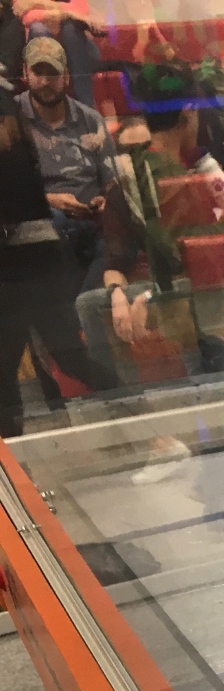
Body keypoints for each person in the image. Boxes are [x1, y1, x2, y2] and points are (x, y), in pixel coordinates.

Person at [78, 63, 224, 389]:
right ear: (188, 112)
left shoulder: (164, 170)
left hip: (186, 300)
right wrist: (133, 295)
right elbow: (182, 256)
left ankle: (120, 400)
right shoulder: (169, 179)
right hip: (191, 303)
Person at [0, 73, 117, 438]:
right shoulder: (18, 147)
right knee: (57, 360)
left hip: (27, 266)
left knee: (52, 361)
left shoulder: (12, 155)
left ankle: (134, 411)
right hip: (31, 263)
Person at [18, 36, 113, 291]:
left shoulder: (91, 120)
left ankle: (83, 304)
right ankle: (76, 307)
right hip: (43, 221)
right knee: (52, 227)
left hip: (91, 220)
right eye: (38, 72)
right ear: (25, 73)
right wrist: (49, 200)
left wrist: (104, 201)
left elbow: (113, 181)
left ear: (67, 76)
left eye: (53, 73)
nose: (45, 81)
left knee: (121, 235)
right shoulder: (12, 121)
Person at [20, 0, 103, 106]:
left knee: (70, 30)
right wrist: (65, 13)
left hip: (79, 50)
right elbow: (27, 15)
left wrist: (45, 10)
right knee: (38, 29)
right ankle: (44, 104)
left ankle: (85, 106)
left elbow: (80, 11)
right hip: (43, 47)